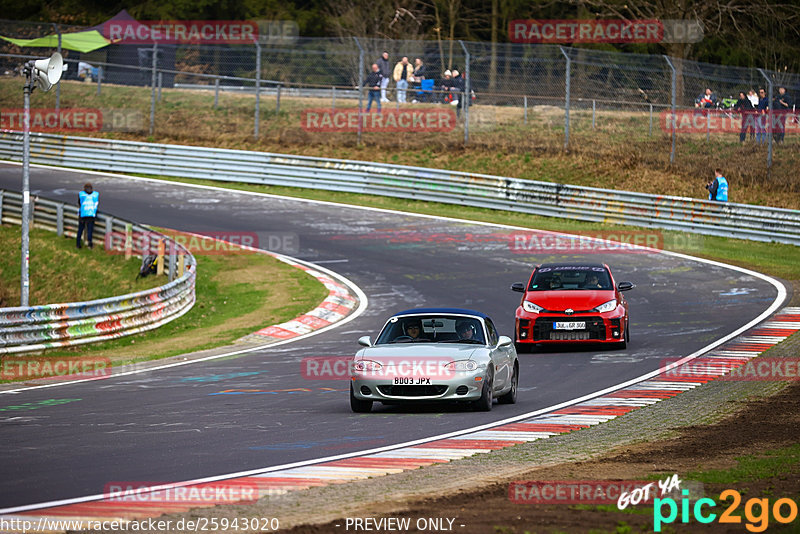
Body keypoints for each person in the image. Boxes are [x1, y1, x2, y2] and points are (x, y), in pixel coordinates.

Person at [77, 183, 99, 248]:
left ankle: (78, 244)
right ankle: (90, 244)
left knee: (80, 230)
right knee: (90, 230)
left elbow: (79, 203)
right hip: (91, 214)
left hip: (83, 214)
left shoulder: (81, 194)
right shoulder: (95, 195)